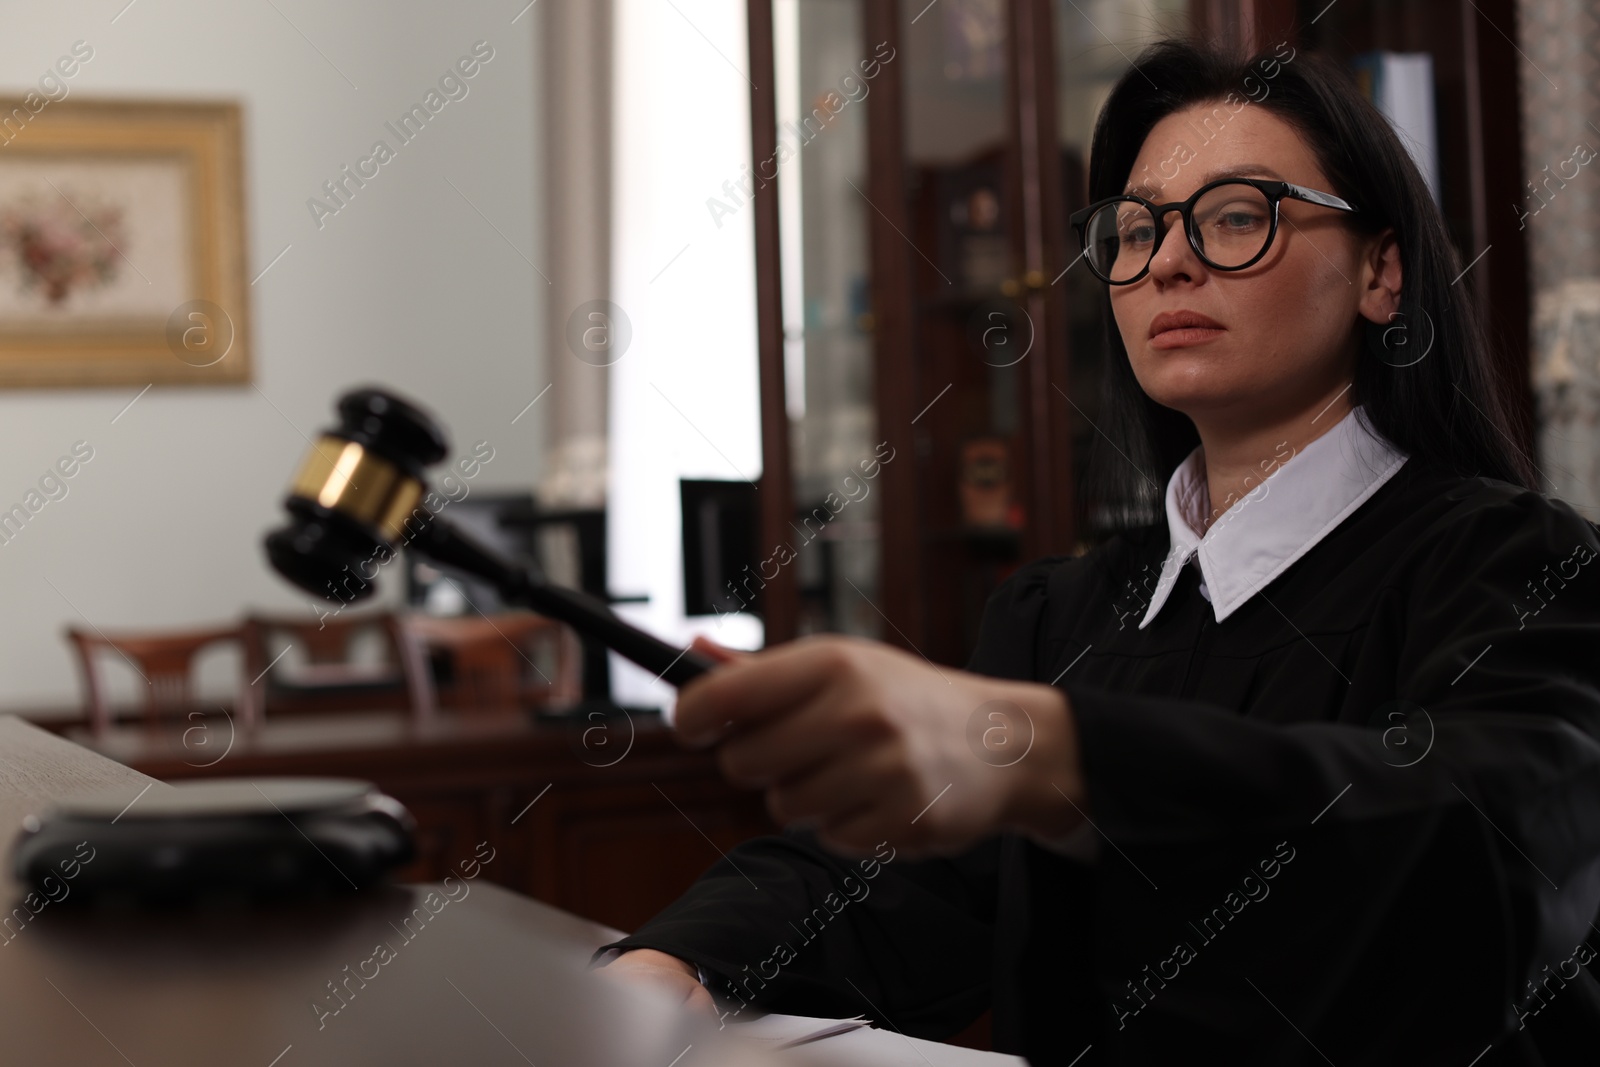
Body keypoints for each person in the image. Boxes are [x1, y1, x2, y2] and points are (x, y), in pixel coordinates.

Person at [593, 36, 1600, 1065]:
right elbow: (906, 882)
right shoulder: (1062, 613)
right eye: (1133, 230)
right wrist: (683, 960)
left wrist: (1059, 756)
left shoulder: (1513, 564)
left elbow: (1476, 849)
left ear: (1381, 271)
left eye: (1236, 216)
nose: (1166, 259)